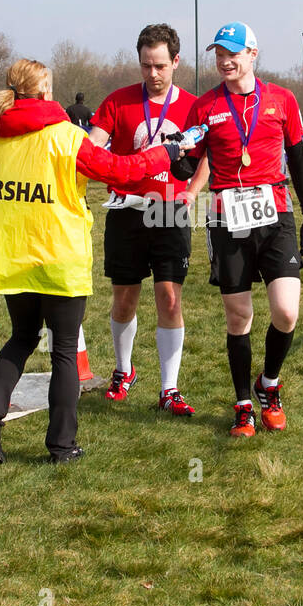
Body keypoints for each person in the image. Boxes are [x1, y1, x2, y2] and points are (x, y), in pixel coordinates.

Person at [0, 58, 184, 464]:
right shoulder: (66, 138)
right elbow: (121, 171)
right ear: (46, 93)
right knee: (65, 350)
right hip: (59, 260)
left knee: (22, 338)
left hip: (12, 261)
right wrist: (164, 154)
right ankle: (61, 445)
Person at [171, 22, 303, 437]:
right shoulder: (204, 107)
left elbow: (299, 159)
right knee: (239, 316)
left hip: (275, 216)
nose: (224, 61)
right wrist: (177, 158)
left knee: (286, 312)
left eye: (232, 53)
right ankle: (242, 405)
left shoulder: (282, 100)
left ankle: (268, 383)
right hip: (226, 219)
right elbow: (190, 162)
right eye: (218, 53)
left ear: (253, 54)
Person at [87, 23, 208, 415]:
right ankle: (124, 371)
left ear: (176, 61)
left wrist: (192, 192)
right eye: (145, 66)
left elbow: (208, 154)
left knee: (169, 298)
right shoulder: (118, 102)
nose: (152, 75)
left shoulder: (193, 106)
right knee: (124, 299)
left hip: (169, 210)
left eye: (159, 66)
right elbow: (93, 146)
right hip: (126, 210)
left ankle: (169, 389)